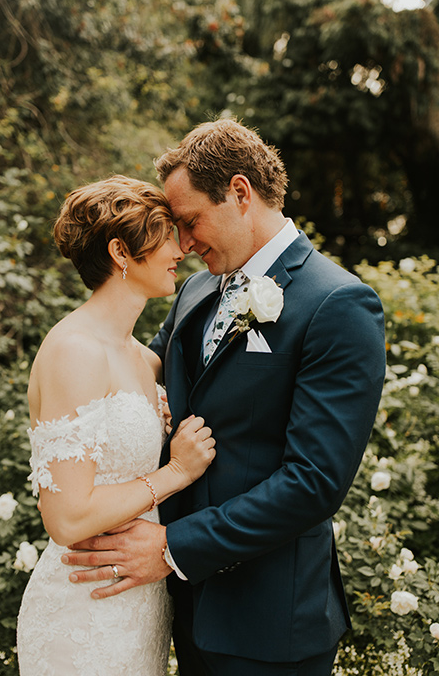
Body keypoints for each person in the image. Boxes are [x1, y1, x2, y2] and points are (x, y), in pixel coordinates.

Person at [61, 120, 386, 676]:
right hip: (184, 611)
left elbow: (313, 482)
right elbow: (143, 384)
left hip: (270, 622)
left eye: (190, 222)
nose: (183, 244)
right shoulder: (196, 289)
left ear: (240, 193)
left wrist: (170, 546)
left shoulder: (339, 305)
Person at [16, 175, 216, 676]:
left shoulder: (147, 360)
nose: (181, 248)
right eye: (166, 234)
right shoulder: (73, 351)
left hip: (140, 605)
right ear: (121, 251)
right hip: (82, 610)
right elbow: (67, 519)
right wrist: (176, 472)